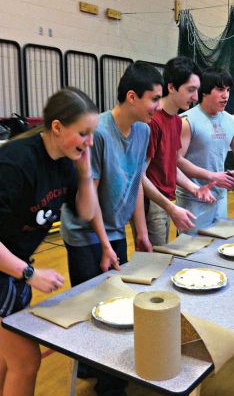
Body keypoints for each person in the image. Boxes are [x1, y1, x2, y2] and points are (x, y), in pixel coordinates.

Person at [60, 61, 163, 396]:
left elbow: (134, 183)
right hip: (86, 234)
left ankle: (99, 367)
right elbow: (90, 199)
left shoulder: (144, 130)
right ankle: (107, 383)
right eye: (153, 99)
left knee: (117, 303)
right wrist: (105, 245)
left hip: (114, 233)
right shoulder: (100, 132)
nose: (157, 107)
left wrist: (141, 233)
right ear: (131, 97)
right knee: (98, 309)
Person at [0, 87, 99, 396]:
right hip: (9, 269)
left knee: (6, 362)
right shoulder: (15, 163)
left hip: (12, 268)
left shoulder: (66, 163)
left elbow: (85, 212)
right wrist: (30, 275)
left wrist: (84, 173)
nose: (89, 142)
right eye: (83, 133)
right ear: (57, 127)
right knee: (26, 361)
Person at [143, 56, 216, 245]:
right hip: (152, 203)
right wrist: (169, 207)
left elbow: (171, 165)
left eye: (197, 91)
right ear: (171, 87)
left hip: (166, 200)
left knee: (164, 258)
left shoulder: (176, 121)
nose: (195, 97)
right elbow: (140, 175)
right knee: (154, 263)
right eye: (190, 90)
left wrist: (195, 188)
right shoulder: (153, 122)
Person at [176, 66, 234, 231]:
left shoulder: (230, 120)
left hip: (220, 198)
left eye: (228, 90)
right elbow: (176, 160)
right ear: (205, 91)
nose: (226, 95)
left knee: (218, 250)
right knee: (192, 252)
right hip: (193, 199)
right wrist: (212, 176)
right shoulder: (186, 121)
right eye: (220, 89)